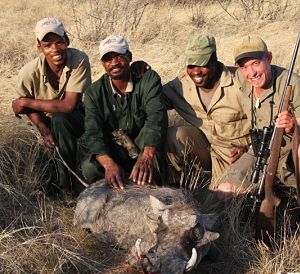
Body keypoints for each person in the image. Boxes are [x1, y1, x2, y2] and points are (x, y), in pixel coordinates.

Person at [12, 17, 91, 193]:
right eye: (48, 45)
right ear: (39, 47)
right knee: (37, 163)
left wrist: (25, 101)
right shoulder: (28, 72)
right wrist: (42, 128)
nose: (55, 49)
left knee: (61, 118)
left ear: (67, 41)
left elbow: (69, 105)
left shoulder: (79, 59)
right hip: (44, 121)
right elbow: (27, 110)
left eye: (59, 42)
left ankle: (67, 186)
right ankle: (53, 181)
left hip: (74, 118)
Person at [162, 34, 251, 188]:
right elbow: (150, 101)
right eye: (191, 66)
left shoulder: (239, 82)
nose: (196, 72)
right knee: (174, 136)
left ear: (214, 59)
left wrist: (249, 148)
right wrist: (140, 74)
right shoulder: (180, 85)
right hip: (208, 149)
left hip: (237, 154)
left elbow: (265, 120)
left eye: (202, 64)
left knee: (224, 199)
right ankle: (181, 185)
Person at [81, 35, 168, 190]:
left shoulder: (148, 79)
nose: (114, 63)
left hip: (143, 147)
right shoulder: (93, 93)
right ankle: (114, 191)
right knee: (89, 167)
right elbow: (93, 133)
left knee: (156, 149)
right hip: (115, 153)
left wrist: (146, 156)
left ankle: (160, 186)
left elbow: (156, 118)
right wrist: (108, 164)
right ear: (102, 64)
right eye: (108, 59)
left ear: (129, 57)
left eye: (119, 56)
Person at [217, 35, 300, 195]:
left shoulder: (293, 83)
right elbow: (218, 71)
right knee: (224, 191)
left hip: (288, 152)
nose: (251, 73)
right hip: (258, 151)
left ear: (268, 57)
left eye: (256, 63)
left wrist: (293, 127)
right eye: (244, 67)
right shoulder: (241, 78)